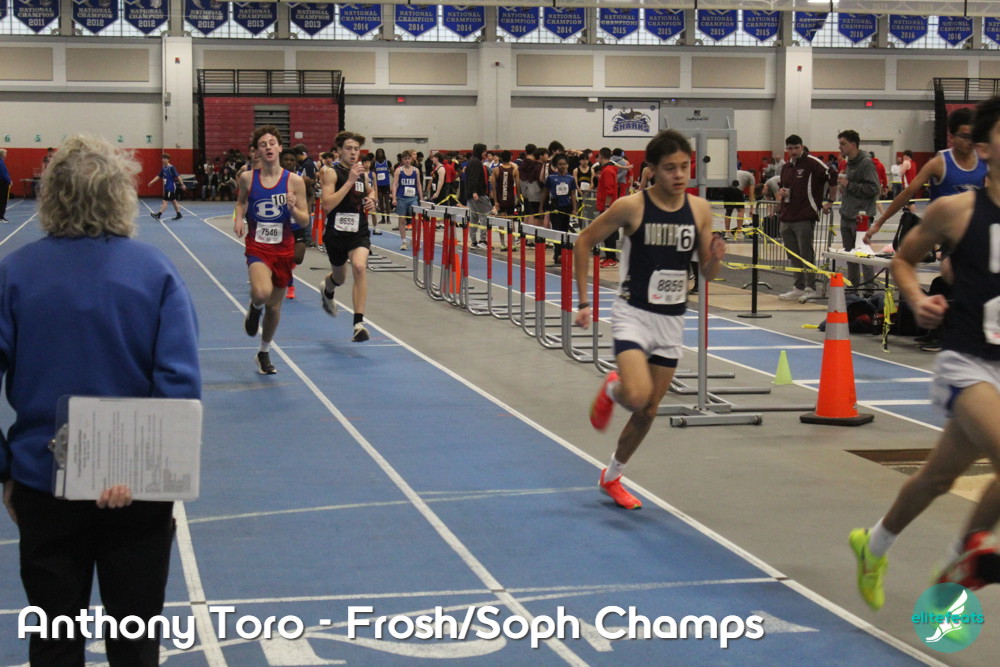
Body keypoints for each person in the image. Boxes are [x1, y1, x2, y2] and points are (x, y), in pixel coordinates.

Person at [0, 134, 201, 665]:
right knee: (135, 639)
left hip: (44, 482)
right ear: (121, 195)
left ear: (50, 196)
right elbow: (180, 385)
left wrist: (4, 471)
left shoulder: (13, 274)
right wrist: (138, 468)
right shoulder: (156, 272)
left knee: (54, 639)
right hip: (137, 491)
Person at [849, 95, 1000, 611]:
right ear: (984, 149)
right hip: (968, 361)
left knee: (938, 477)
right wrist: (917, 299)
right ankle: (960, 564)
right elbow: (902, 262)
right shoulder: (956, 210)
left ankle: (873, 545)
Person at [574, 129, 725, 510]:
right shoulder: (631, 206)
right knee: (638, 395)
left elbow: (708, 274)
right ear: (652, 170)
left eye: (685, 167)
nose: (679, 175)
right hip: (633, 314)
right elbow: (584, 241)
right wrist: (584, 301)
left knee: (648, 411)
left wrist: (715, 257)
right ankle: (613, 388)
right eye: (670, 168)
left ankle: (612, 476)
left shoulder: (700, 210)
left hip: (671, 319)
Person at [234, 126, 310, 374]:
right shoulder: (247, 178)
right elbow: (241, 202)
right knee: (261, 292)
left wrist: (293, 209)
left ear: (279, 147)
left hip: (283, 248)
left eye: (272, 143)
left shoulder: (294, 181)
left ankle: (264, 351)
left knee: (274, 308)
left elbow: (305, 221)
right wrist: (238, 218)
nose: (268, 147)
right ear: (257, 151)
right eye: (263, 144)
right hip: (258, 245)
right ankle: (254, 308)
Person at [864, 108, 987, 246]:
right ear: (952, 137)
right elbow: (907, 193)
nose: (970, 142)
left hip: (972, 234)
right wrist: (879, 223)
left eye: (973, 136)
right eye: (964, 136)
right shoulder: (938, 163)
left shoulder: (984, 160)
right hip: (943, 235)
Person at [319, 131, 378, 343]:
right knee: (340, 278)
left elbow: (371, 191)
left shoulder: (363, 174)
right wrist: (350, 180)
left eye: (356, 149)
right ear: (338, 151)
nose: (353, 153)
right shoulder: (330, 173)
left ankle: (358, 324)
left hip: (358, 231)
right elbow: (327, 205)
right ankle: (328, 288)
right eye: (348, 148)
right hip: (336, 234)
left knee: (360, 267)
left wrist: (372, 200)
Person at [776, 134, 838, 302]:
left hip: (804, 216)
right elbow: (783, 186)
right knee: (793, 254)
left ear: (802, 147)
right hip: (786, 216)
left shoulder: (812, 163)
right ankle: (798, 287)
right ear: (786, 149)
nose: (793, 151)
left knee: (806, 253)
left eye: (796, 148)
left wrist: (830, 201)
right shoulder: (786, 167)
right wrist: (781, 192)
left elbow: (832, 175)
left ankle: (811, 287)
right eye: (790, 148)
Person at [835, 130, 879, 292]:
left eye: (843, 144)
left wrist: (850, 185)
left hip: (861, 218)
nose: (840, 147)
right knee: (850, 257)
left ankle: (869, 291)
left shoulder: (866, 163)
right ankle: (852, 290)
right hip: (847, 214)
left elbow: (874, 188)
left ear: (853, 145)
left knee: (864, 255)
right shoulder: (849, 163)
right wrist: (845, 187)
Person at [539, 153, 577, 265]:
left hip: (566, 207)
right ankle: (557, 255)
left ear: (567, 165)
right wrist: (541, 207)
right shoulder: (551, 178)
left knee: (564, 231)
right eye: (560, 164)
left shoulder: (571, 178)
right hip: (555, 208)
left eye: (564, 164)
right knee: (557, 230)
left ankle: (563, 254)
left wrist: (574, 209)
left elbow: (573, 194)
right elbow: (545, 193)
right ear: (556, 166)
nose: (562, 166)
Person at [594, 147, 620, 267]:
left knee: (609, 233)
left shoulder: (608, 171)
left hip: (608, 207)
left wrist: (607, 207)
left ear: (601, 156)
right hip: (606, 206)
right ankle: (609, 256)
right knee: (606, 233)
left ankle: (612, 258)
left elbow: (610, 191)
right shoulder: (607, 170)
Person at [391, 149, 419, 251]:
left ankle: (414, 239)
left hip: (413, 198)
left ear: (411, 159)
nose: (407, 160)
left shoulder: (416, 170)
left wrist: (421, 198)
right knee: (402, 220)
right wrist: (394, 198)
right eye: (405, 159)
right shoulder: (399, 170)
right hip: (402, 198)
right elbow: (394, 184)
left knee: (416, 219)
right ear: (402, 160)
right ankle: (404, 241)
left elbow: (418, 184)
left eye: (408, 158)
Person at [491, 150, 519, 251]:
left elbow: (493, 187)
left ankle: (503, 244)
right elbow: (518, 185)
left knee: (502, 221)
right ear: (510, 158)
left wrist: (495, 201)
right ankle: (513, 244)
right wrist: (518, 198)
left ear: (501, 158)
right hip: (510, 198)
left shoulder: (496, 170)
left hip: (500, 199)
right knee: (511, 221)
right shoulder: (515, 170)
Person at [465, 142, 492, 248]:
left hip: (471, 194)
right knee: (485, 215)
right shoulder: (476, 163)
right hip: (478, 194)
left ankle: (474, 241)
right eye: (484, 151)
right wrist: (475, 192)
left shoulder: (471, 161)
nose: (486, 153)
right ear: (480, 151)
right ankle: (483, 240)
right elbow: (474, 178)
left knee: (474, 217)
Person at [148, 153, 185, 220]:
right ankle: (179, 214)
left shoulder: (171, 168)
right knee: (173, 200)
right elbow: (158, 176)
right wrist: (152, 182)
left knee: (165, 201)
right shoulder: (163, 168)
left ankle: (159, 215)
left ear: (168, 159)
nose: (163, 160)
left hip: (170, 187)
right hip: (166, 187)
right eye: (162, 158)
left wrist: (182, 184)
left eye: (164, 158)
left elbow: (178, 176)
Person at [0, 148, 10, 223]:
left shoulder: (2, 162)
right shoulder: (0, 163)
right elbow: (3, 173)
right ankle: (1, 217)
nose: (6, 155)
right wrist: (9, 180)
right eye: (5, 153)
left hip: (3, 182)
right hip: (2, 183)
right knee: (2, 200)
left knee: (3, 200)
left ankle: (2, 216)